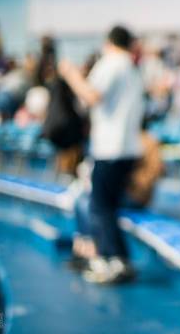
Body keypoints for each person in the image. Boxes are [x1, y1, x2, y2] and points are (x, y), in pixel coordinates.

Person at [59, 25, 144, 284]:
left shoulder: (112, 63)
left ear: (108, 42)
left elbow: (91, 95)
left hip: (110, 148)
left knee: (100, 207)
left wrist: (71, 75)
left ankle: (114, 260)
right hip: (126, 148)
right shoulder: (131, 68)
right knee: (106, 206)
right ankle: (115, 258)